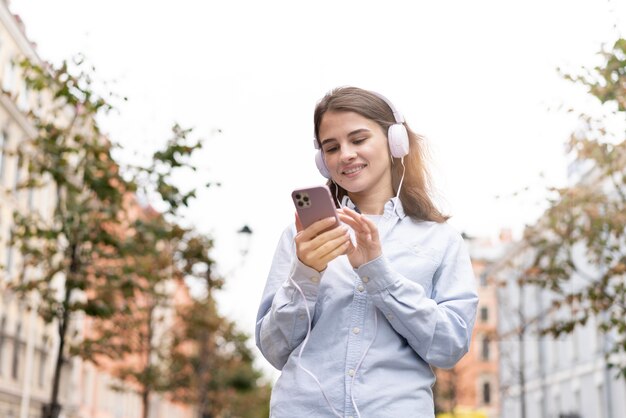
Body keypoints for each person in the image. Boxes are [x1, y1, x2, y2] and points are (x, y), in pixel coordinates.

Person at [255, 86, 478, 417]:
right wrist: (305, 273)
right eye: (332, 147)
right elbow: (274, 349)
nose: (345, 154)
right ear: (322, 160)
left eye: (358, 140)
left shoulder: (441, 240)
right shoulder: (301, 237)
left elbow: (449, 348)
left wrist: (377, 271)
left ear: (395, 142)